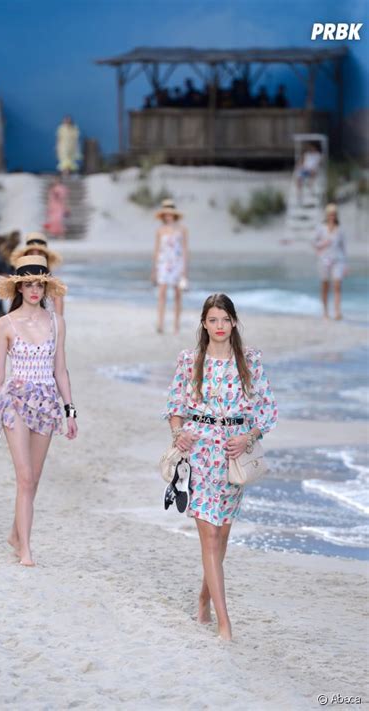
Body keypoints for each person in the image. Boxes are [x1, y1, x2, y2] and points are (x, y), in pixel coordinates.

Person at [164, 293, 278, 640]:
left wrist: (248, 438)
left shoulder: (249, 361)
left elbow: (267, 411)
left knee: (222, 534)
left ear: (233, 323)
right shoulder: (191, 360)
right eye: (212, 320)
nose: (219, 326)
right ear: (203, 323)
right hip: (199, 453)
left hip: (233, 455)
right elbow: (174, 405)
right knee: (209, 536)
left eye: (225, 320)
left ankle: (203, 598)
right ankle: (224, 624)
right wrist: (178, 433)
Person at [0, 255, 77, 567]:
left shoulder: (56, 322)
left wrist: (70, 411)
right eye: (29, 283)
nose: (35, 289)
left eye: (40, 284)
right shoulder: (4, 325)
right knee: (24, 477)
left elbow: (61, 370)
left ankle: (15, 534)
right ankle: (26, 550)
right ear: (19, 287)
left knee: (33, 478)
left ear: (46, 287)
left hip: (47, 402)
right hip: (15, 402)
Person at [152, 199, 189, 334]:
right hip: (162, 264)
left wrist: (185, 270)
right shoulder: (160, 230)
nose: (168, 216)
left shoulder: (183, 230)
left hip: (177, 265)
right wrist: (154, 270)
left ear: (174, 215)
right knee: (162, 294)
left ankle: (176, 326)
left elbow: (185, 250)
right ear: (163, 215)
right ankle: (160, 324)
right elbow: (157, 250)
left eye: (170, 214)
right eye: (165, 214)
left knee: (177, 295)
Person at [11, 232, 64, 315]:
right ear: (25, 255)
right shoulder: (17, 282)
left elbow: (59, 316)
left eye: (40, 253)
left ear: (46, 256)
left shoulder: (55, 286)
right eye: (31, 253)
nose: (36, 256)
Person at [313, 203, 348, 320]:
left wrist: (346, 265)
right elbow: (314, 243)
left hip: (338, 260)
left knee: (337, 286)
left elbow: (343, 248)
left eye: (334, 214)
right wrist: (322, 244)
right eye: (330, 214)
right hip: (324, 260)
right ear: (327, 215)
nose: (332, 216)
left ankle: (338, 312)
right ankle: (325, 311)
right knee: (325, 286)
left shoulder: (340, 229)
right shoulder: (321, 228)